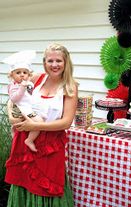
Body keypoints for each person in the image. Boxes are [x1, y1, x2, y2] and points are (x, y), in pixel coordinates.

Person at [5, 43, 78, 207]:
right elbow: (13, 97)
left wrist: (35, 127)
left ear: (66, 62)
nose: (54, 65)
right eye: (50, 61)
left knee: (48, 185)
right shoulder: (36, 78)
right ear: (44, 62)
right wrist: (11, 116)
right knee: (25, 183)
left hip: (49, 146)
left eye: (58, 60)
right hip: (25, 141)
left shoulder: (70, 87)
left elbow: (66, 122)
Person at [4, 50, 45, 152]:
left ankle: (29, 138)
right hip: (19, 109)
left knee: (39, 122)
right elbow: (14, 99)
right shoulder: (13, 86)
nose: (22, 75)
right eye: (18, 72)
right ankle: (29, 139)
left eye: (25, 72)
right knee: (36, 123)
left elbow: (30, 96)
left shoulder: (29, 83)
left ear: (28, 74)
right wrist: (22, 87)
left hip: (27, 108)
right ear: (12, 75)